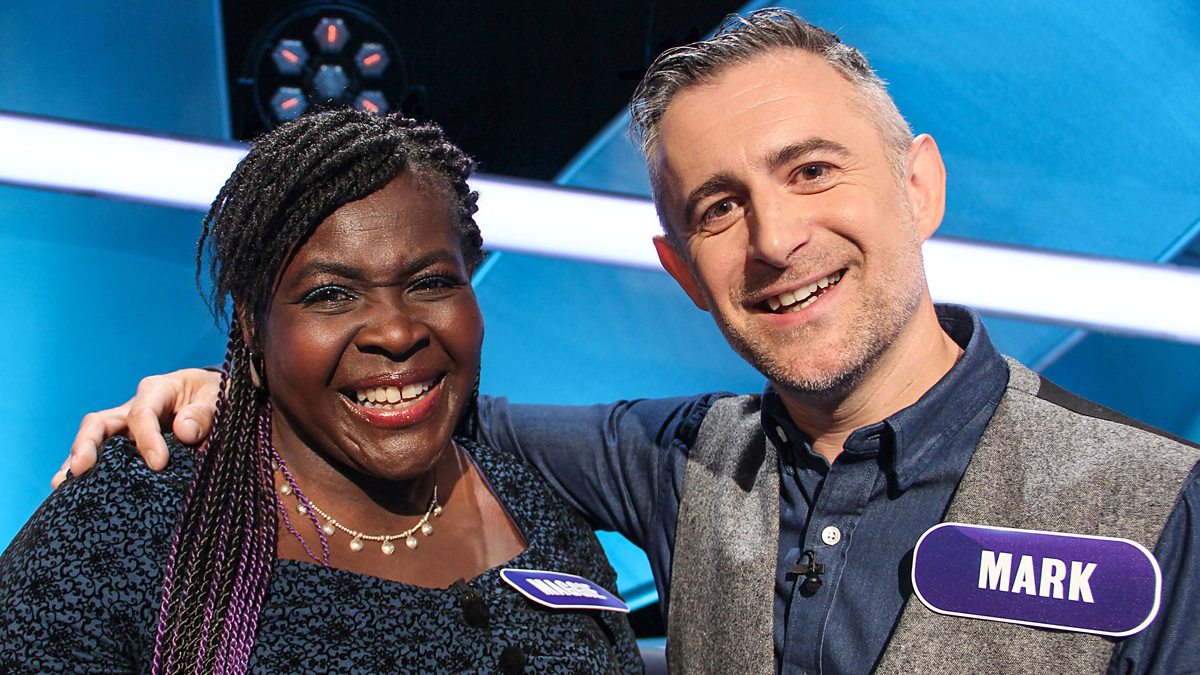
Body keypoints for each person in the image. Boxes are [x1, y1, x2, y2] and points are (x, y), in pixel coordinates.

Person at [60, 9, 1200, 674]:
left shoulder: (1158, 502)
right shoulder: (678, 458)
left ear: (920, 186)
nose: (777, 239)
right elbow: (427, 409)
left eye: (812, 171)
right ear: (682, 269)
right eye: (719, 207)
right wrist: (235, 392)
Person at [1, 109, 641, 673]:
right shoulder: (131, 516)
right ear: (252, 323)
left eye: (431, 283)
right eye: (331, 294)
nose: (396, 332)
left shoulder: (538, 510)